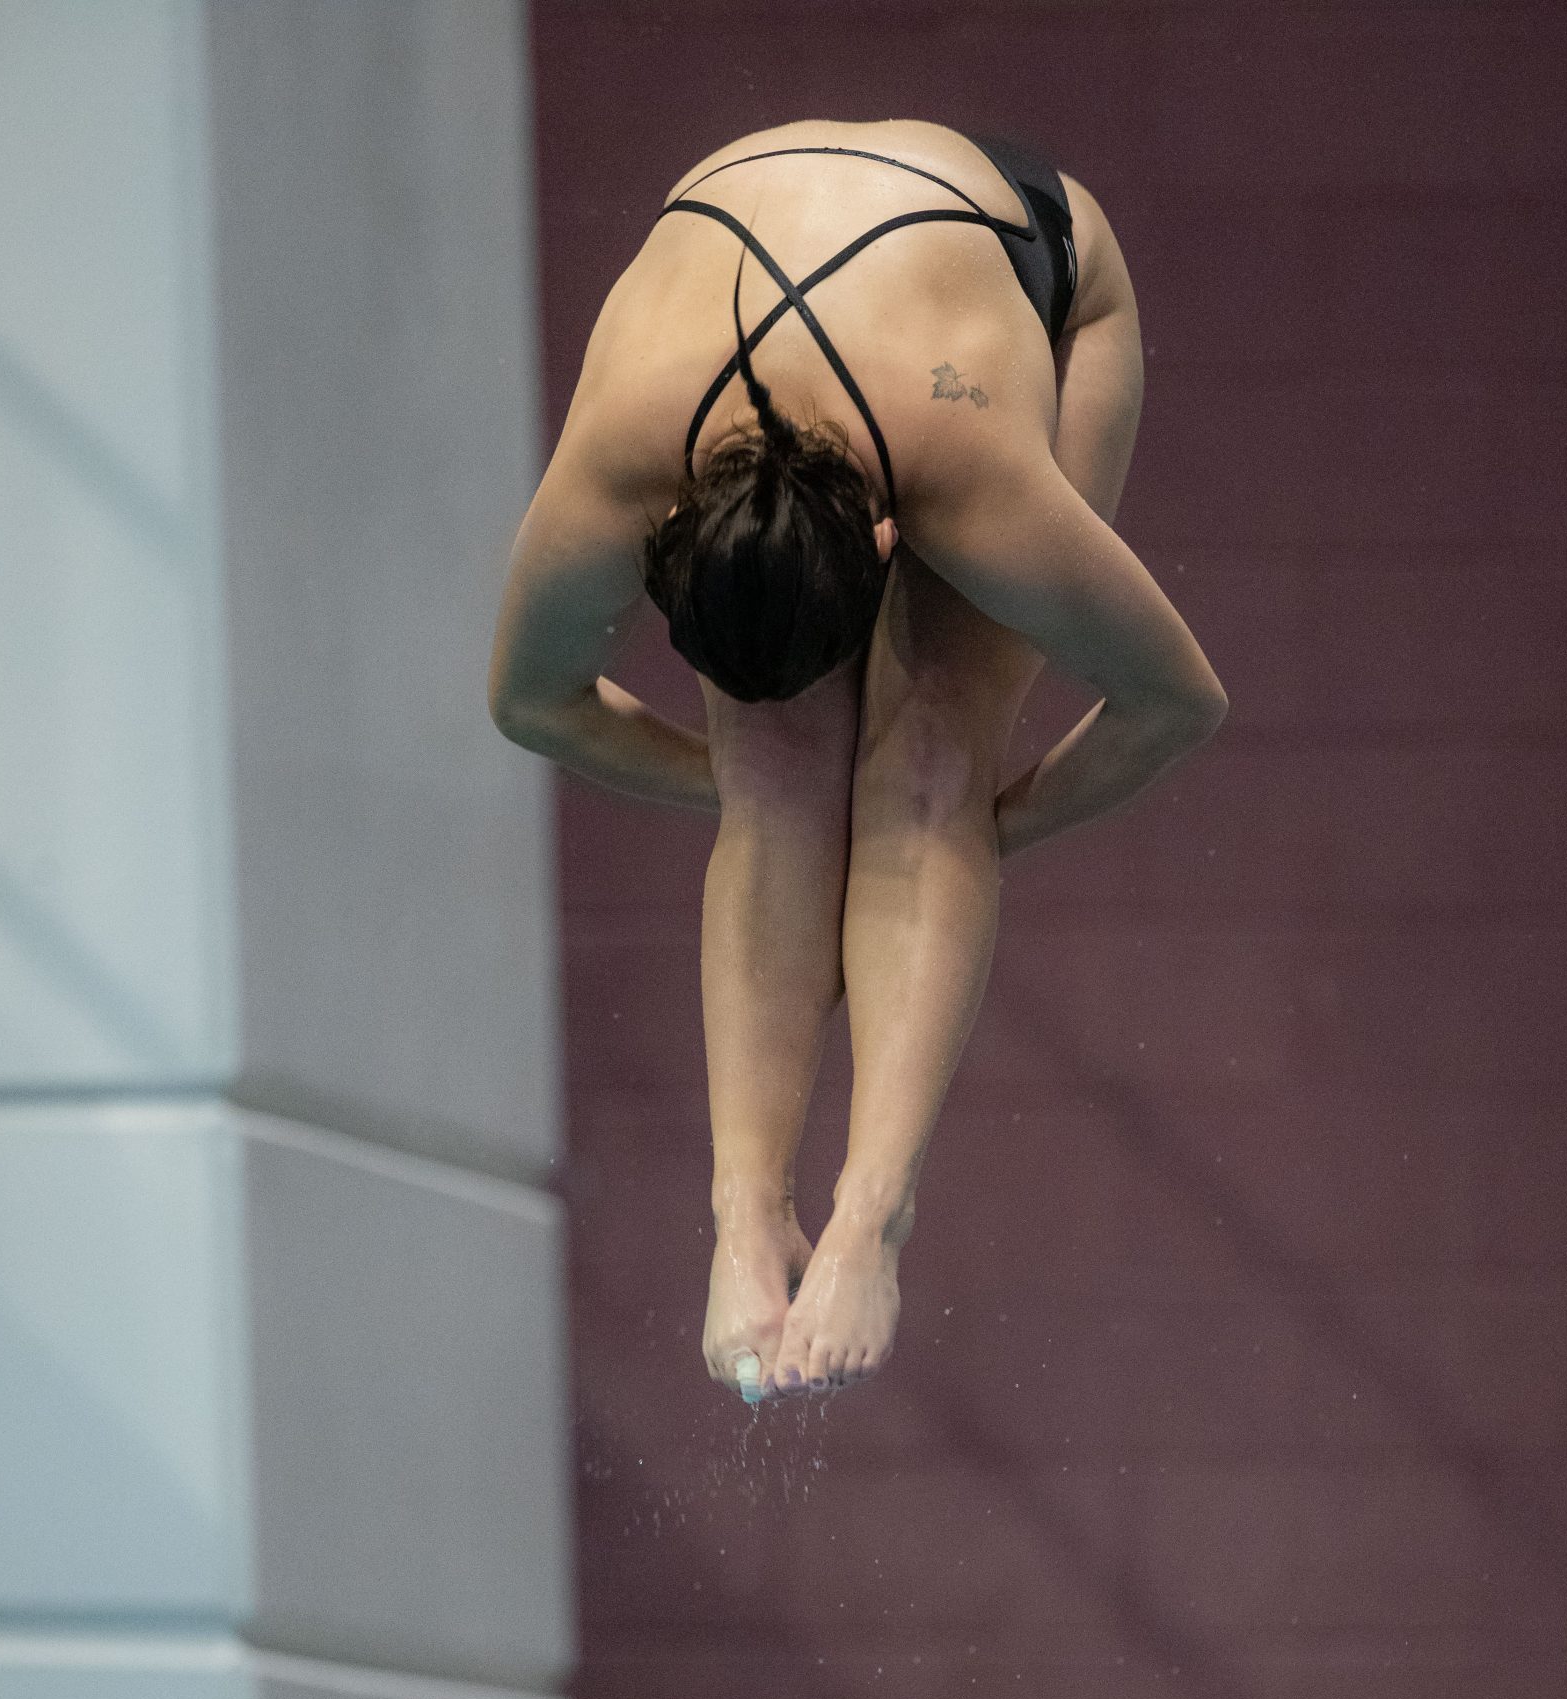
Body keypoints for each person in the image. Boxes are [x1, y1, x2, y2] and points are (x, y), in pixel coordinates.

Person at [488, 118, 1226, 1400]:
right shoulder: (614, 471)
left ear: (892, 542)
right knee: (778, 776)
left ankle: (872, 1213)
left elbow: (1177, 701)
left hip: (1029, 282)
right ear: (661, 533)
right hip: (754, 263)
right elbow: (533, 704)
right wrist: (761, 795)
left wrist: (984, 821)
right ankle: (742, 1218)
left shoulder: (973, 479)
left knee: (929, 759)